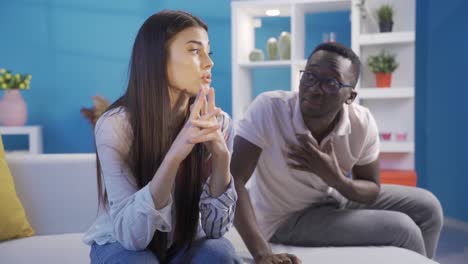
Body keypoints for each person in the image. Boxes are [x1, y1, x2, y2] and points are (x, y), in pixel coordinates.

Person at [231, 42, 443, 263]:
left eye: (331, 82)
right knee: (403, 229)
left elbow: (371, 189)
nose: (314, 88)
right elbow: (234, 179)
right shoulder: (269, 108)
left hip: (333, 196)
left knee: (428, 207)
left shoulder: (361, 122)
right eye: (310, 76)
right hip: (286, 218)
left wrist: (335, 178)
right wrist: (262, 253)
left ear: (350, 96)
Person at [83, 10, 241, 264]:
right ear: (157, 59)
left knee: (220, 255)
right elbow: (132, 238)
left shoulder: (219, 124)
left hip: (182, 242)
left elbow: (215, 230)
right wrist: (176, 153)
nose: (209, 63)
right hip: (121, 242)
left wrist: (222, 157)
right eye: (193, 50)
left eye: (208, 52)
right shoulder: (115, 126)